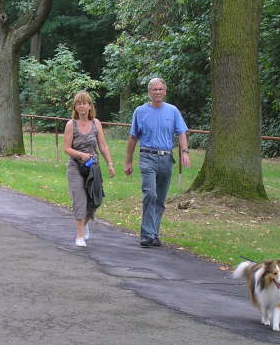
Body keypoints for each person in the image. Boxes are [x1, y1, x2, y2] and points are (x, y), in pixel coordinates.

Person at [124, 77, 191, 248]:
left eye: (161, 89)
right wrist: (128, 161)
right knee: (150, 194)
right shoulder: (140, 111)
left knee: (160, 199)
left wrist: (185, 152)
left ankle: (154, 233)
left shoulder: (172, 111)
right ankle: (146, 235)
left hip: (166, 158)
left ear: (165, 91)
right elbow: (133, 137)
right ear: (149, 92)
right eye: (155, 89)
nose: (158, 92)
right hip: (148, 157)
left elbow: (182, 132)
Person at [63, 91, 115, 247]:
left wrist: (110, 164)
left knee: (95, 201)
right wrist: (80, 154)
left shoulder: (96, 123)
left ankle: (85, 223)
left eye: (84, 103)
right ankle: (79, 236)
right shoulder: (71, 124)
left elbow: (103, 146)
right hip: (75, 167)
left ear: (90, 106)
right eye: (78, 103)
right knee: (80, 200)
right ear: (75, 107)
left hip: (93, 167)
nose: (82, 106)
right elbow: (66, 148)